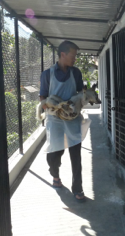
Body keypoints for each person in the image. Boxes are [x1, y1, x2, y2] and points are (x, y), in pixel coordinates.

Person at [39, 40, 86, 202]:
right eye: (73, 55)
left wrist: (77, 103)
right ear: (63, 54)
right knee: (55, 153)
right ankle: (55, 174)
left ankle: (78, 188)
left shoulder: (76, 73)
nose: (75, 59)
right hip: (55, 119)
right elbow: (42, 97)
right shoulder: (47, 74)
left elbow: (81, 92)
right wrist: (53, 109)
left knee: (76, 154)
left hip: (72, 118)